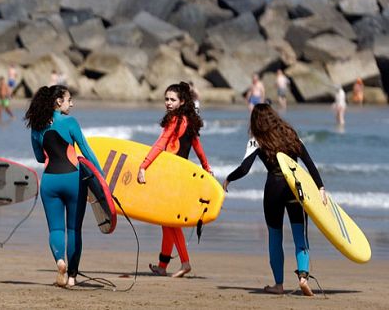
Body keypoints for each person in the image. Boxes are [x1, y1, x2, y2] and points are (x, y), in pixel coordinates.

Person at [223, 103, 325, 297]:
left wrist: (228, 179)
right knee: (299, 235)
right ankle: (303, 277)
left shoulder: (257, 140)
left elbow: (244, 169)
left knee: (275, 236)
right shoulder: (290, 134)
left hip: (273, 190)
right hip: (296, 188)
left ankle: (279, 285)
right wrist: (320, 188)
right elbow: (309, 163)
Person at [25, 85, 103, 288]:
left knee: (56, 229)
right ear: (59, 101)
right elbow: (87, 152)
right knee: (74, 229)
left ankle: (60, 262)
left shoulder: (37, 125)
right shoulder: (70, 122)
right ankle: (72, 277)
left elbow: (40, 157)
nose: (72, 103)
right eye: (69, 99)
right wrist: (102, 179)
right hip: (73, 181)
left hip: (50, 182)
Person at [137, 82, 213, 278]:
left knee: (170, 221)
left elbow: (160, 144)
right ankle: (163, 265)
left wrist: (143, 166)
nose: (168, 103)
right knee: (167, 221)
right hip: (182, 177)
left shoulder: (176, 121)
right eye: (166, 99)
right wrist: (207, 169)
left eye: (172, 100)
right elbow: (198, 148)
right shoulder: (190, 121)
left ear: (182, 101)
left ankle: (185, 262)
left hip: (172, 178)